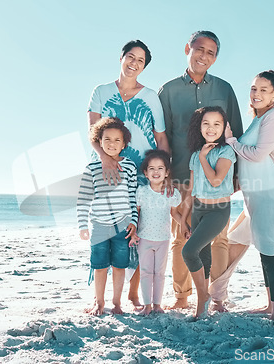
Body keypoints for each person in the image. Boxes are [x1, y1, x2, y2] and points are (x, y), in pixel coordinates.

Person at [158, 30, 243, 310]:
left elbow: (236, 135)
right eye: (199, 49)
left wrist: (238, 173)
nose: (204, 56)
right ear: (187, 48)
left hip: (218, 179)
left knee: (219, 239)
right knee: (182, 236)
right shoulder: (168, 90)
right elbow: (162, 135)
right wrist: (165, 174)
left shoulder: (224, 89)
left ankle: (217, 297)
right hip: (182, 175)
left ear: (216, 58)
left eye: (211, 52)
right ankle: (182, 296)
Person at [88, 40, 169, 308]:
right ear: (121, 57)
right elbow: (92, 133)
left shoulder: (150, 97)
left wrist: (165, 175)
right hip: (106, 175)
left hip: (140, 175)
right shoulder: (101, 91)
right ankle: (103, 297)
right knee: (105, 234)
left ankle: (133, 293)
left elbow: (160, 138)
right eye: (130, 57)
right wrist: (105, 160)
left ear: (144, 66)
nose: (134, 63)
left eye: (141, 61)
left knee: (136, 236)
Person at [225, 70, 274, 319]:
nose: (256, 93)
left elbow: (256, 154)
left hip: (273, 194)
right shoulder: (259, 118)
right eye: (254, 88)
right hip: (256, 196)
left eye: (263, 90)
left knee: (270, 251)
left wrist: (231, 141)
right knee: (262, 249)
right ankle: (271, 304)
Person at [77, 117, 138, 316]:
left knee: (120, 266)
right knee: (100, 266)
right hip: (98, 225)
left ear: (124, 143)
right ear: (99, 141)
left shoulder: (129, 167)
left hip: (122, 225)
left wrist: (133, 222)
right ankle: (99, 302)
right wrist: (82, 225)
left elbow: (132, 196)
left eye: (117, 140)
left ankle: (117, 303)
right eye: (107, 139)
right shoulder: (92, 168)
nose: (112, 144)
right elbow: (84, 198)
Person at [179, 106, 236, 317]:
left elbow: (215, 180)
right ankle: (202, 305)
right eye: (206, 123)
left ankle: (203, 296)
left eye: (216, 124)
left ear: (224, 127)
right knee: (203, 255)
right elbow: (191, 191)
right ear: (199, 126)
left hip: (218, 210)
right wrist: (184, 220)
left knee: (188, 252)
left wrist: (204, 158)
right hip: (198, 209)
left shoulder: (226, 152)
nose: (211, 128)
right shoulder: (195, 154)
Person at [130, 150, 182, 316]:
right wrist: (134, 233)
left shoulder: (171, 192)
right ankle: (147, 305)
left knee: (159, 273)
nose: (156, 172)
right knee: (145, 272)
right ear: (145, 173)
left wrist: (186, 226)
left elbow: (175, 213)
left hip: (163, 239)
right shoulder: (142, 192)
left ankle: (157, 304)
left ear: (167, 172)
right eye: (151, 168)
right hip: (144, 238)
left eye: (160, 168)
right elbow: (136, 214)